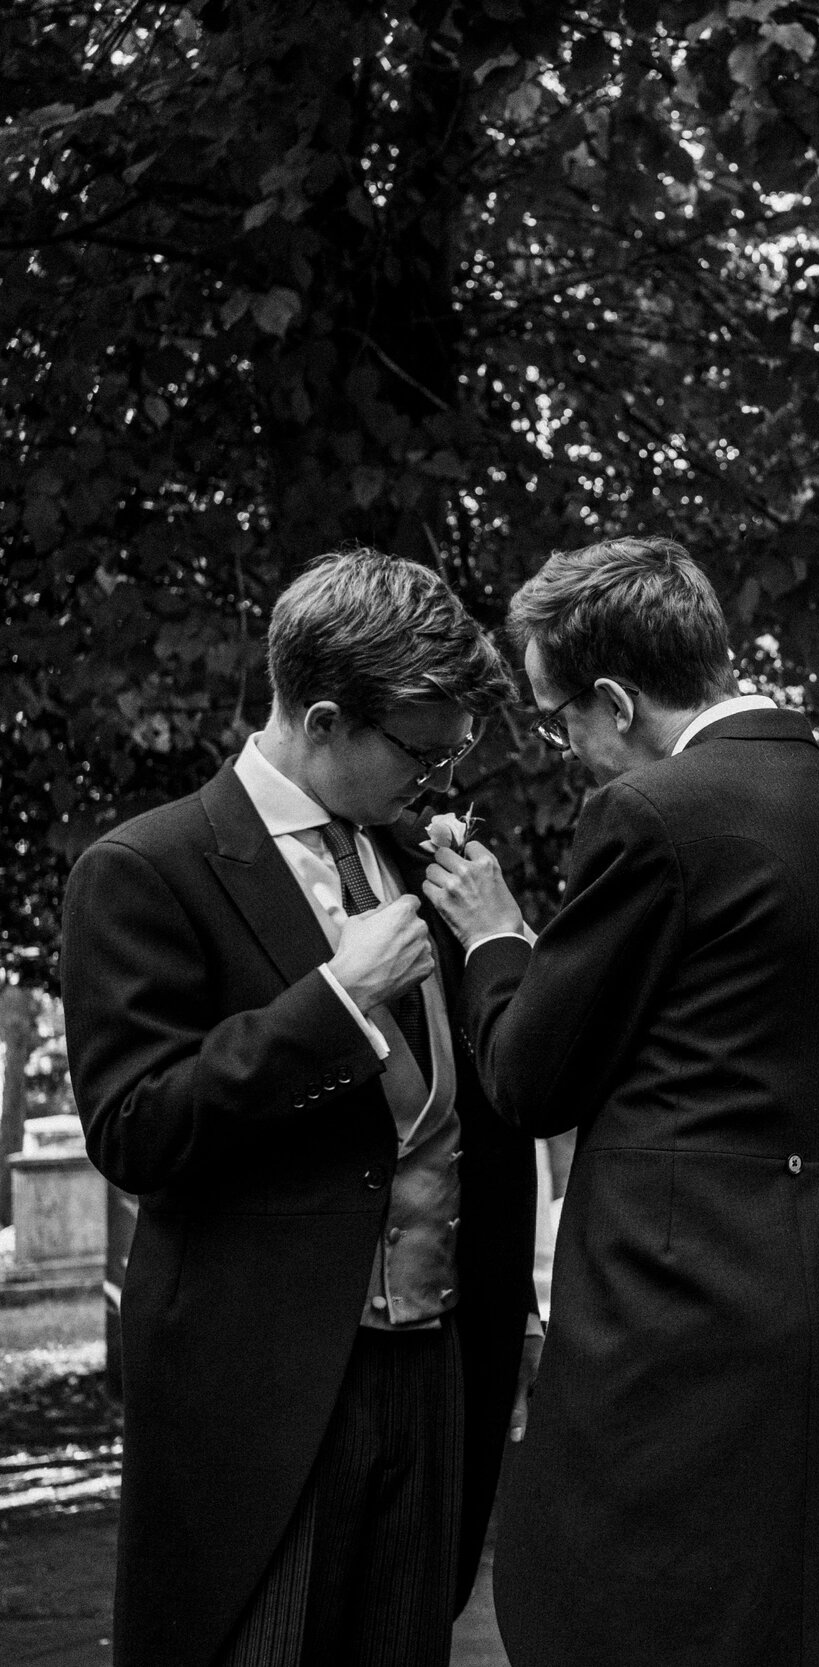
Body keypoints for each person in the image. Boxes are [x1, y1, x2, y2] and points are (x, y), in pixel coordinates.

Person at [419, 536, 819, 1667]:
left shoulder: (655, 813)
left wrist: (497, 936)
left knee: (633, 1612)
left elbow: (532, 1077)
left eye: (559, 719)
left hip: (676, 1298)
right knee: (797, 1613)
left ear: (614, 696)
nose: (566, 747)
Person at [59, 549, 538, 1667]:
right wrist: (334, 999)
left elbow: (477, 1113)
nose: (437, 779)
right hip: (261, 1397)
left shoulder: (423, 865)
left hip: (431, 1373)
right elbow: (134, 1127)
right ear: (323, 720)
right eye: (422, 751)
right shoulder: (146, 869)